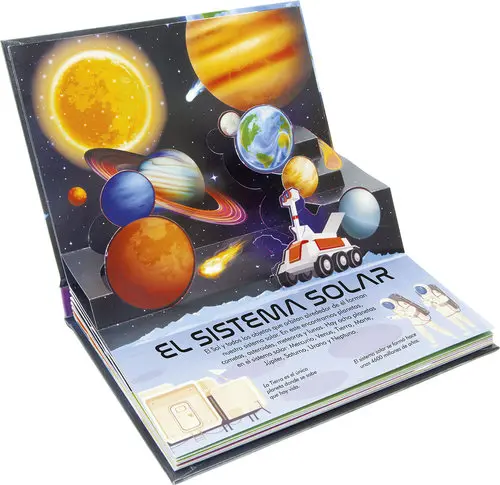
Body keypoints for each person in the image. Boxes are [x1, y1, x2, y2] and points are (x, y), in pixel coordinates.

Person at [380, 294, 456, 347]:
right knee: (424, 333)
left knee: (437, 328)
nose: (388, 306)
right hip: (415, 322)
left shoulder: (401, 303)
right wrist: (393, 317)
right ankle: (434, 343)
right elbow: (401, 315)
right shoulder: (394, 309)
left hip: (421, 317)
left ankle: (451, 335)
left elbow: (413, 309)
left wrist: (407, 314)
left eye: (387, 304)